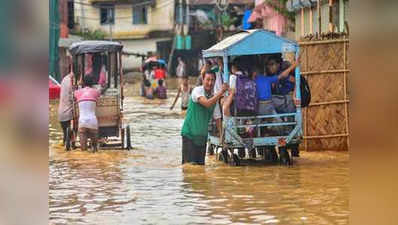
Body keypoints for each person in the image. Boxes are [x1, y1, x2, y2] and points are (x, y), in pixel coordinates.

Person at [181, 71, 228, 165]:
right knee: (190, 167)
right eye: (208, 80)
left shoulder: (214, 97)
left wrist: (222, 139)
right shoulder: (197, 91)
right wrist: (221, 92)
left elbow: (218, 118)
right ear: (203, 80)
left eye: (212, 80)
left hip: (202, 138)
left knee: (200, 168)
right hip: (190, 135)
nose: (210, 83)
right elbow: (207, 103)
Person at [272, 60, 301, 157]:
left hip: (288, 100)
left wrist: (294, 95)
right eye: (268, 65)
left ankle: (293, 148)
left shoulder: (285, 75)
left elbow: (297, 81)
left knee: (291, 122)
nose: (270, 67)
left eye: (272, 64)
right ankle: (283, 148)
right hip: (279, 101)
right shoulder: (272, 76)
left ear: (278, 64)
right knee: (280, 123)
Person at [74, 76, 101, 152]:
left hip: (82, 123)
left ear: (83, 83)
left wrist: (78, 84)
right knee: (95, 150)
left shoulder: (77, 92)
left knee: (83, 151)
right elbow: (100, 92)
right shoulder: (96, 92)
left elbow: (74, 94)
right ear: (92, 83)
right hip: (93, 122)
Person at [58, 61, 74, 147]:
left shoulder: (64, 79)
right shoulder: (72, 80)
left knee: (65, 137)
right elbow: (74, 97)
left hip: (61, 113)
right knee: (69, 138)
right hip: (68, 114)